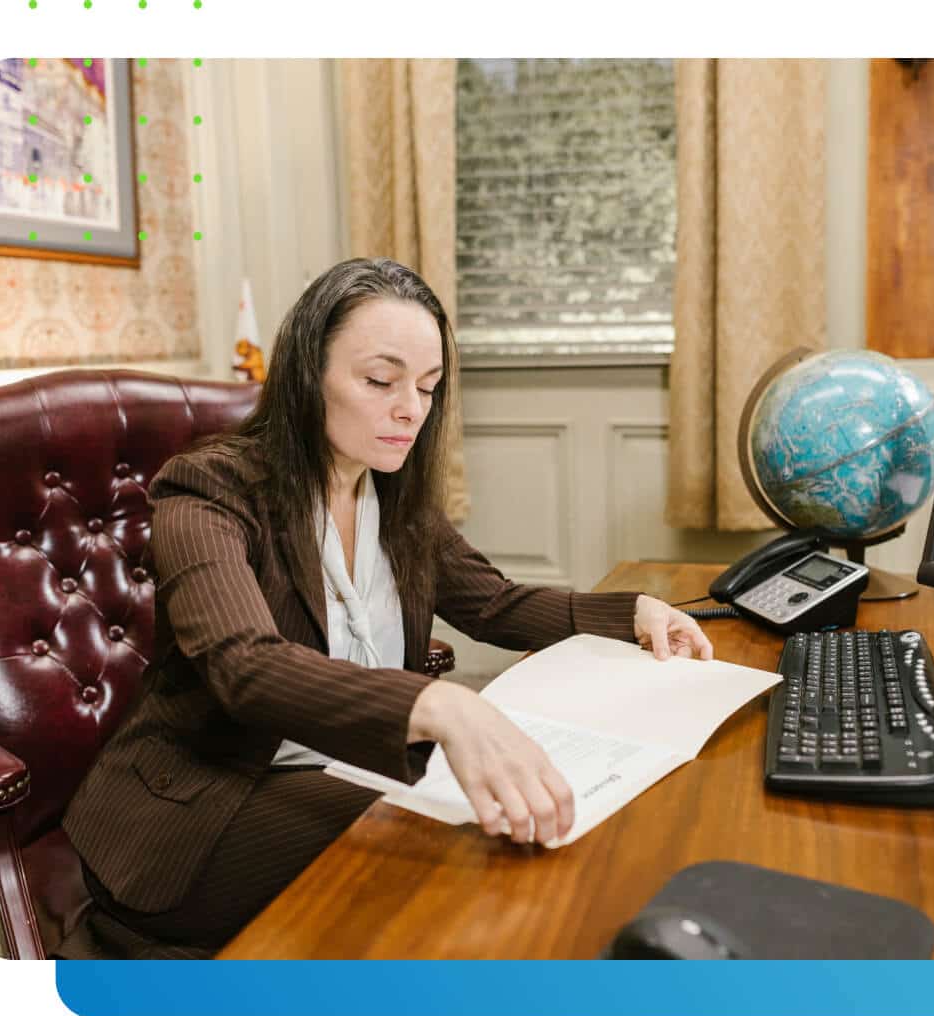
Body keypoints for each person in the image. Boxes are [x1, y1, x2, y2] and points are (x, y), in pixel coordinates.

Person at [58, 258, 713, 958]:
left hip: (342, 768)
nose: (411, 409)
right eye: (380, 381)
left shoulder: (386, 491)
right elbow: (242, 665)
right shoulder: (206, 490)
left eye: (428, 388)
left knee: (530, 835)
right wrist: (440, 704)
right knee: (471, 863)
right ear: (309, 373)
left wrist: (633, 613)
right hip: (200, 809)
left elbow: (493, 603)